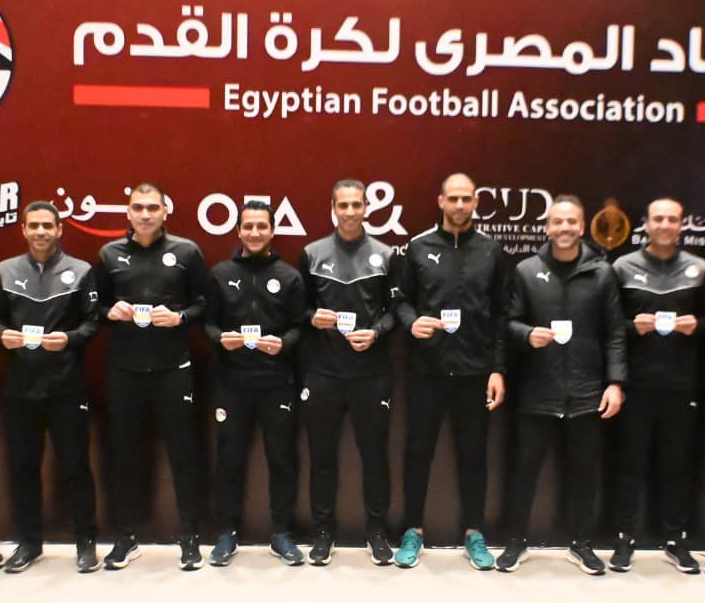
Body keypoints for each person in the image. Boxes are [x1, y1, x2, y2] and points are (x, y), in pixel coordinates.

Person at [497, 195, 626, 575]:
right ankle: (516, 541)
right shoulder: (526, 270)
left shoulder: (602, 273)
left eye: (571, 222)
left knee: (584, 474)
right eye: (558, 222)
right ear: (548, 227)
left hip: (587, 393)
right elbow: (508, 323)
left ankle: (581, 544)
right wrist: (527, 334)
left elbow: (615, 333)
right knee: (524, 471)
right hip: (538, 390)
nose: (565, 228)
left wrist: (616, 383)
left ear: (582, 226)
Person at [392, 173, 507, 571]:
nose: (459, 205)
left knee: (474, 455)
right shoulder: (418, 247)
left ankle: (474, 533)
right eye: (453, 198)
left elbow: (501, 315)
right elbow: (401, 302)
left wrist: (497, 369)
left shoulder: (492, 250)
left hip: (475, 372)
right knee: (418, 452)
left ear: (475, 202)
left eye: (466, 198)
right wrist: (412, 323)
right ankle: (412, 531)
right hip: (427, 370)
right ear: (440, 201)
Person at [96, 183, 208, 571]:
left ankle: (190, 538)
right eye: (138, 207)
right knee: (125, 456)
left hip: (173, 370)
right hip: (124, 372)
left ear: (165, 212)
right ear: (128, 213)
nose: (145, 214)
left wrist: (180, 317)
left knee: (183, 456)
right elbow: (96, 308)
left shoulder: (187, 252)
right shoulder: (109, 254)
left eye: (152, 208)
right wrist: (110, 312)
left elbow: (204, 304)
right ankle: (126, 537)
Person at [0, 201, 101, 573]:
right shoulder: (5, 270)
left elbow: (92, 324)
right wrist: (2, 335)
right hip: (20, 388)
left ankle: (86, 543)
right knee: (23, 467)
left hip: (66, 386)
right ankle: (29, 543)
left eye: (47, 226)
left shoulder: (81, 271)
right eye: (33, 225)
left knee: (76, 466)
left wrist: (68, 339)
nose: (40, 232)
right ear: (23, 229)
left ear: (59, 230)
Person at [298, 179, 399, 566]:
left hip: (371, 374)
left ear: (366, 208)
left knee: (374, 456)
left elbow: (396, 312)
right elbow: (298, 309)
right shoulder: (312, 254)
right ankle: (323, 533)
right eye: (344, 205)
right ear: (333, 207)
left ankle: (377, 532)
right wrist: (313, 318)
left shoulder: (386, 255)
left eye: (357, 204)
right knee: (322, 456)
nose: (351, 211)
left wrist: (376, 332)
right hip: (323, 372)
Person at [607, 197, 705, 574]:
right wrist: (632, 327)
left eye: (672, 219)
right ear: (646, 224)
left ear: (682, 224)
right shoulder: (622, 266)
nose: (665, 225)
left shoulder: (699, 268)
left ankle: (675, 539)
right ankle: (624, 539)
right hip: (636, 383)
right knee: (629, 464)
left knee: (676, 465)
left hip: (681, 385)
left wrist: (698, 326)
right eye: (658, 218)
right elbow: (609, 325)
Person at [204, 201, 305, 567]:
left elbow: (299, 327)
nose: (255, 232)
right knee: (229, 459)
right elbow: (208, 324)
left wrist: (284, 344)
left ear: (272, 230)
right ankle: (226, 533)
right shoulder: (220, 274)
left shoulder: (290, 276)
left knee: (281, 459)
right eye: (248, 226)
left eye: (262, 226)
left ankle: (281, 533)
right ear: (239, 231)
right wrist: (220, 339)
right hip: (232, 383)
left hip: (276, 382)